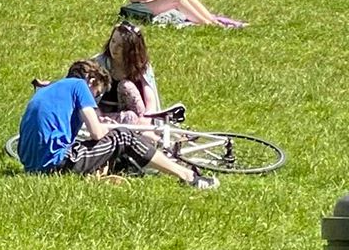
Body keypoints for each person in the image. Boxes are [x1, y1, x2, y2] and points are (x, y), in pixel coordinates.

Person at [17, 60, 213, 188]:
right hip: (55, 162)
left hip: (31, 164)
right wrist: (107, 127)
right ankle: (187, 176)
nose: (95, 99)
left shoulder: (49, 89)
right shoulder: (79, 86)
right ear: (92, 81)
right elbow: (96, 133)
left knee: (104, 146)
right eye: (97, 94)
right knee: (123, 135)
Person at [93, 22, 164, 121]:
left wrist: (147, 119)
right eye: (113, 41)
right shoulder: (98, 63)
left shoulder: (141, 65)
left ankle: (142, 126)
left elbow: (150, 98)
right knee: (129, 117)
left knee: (126, 86)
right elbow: (88, 98)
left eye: (120, 46)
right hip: (101, 115)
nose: (114, 48)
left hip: (133, 115)